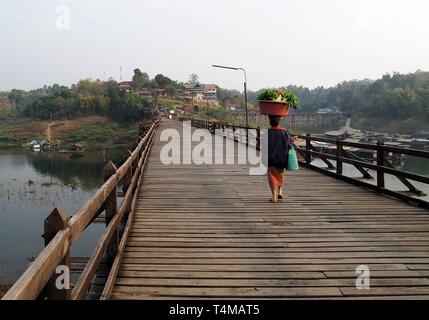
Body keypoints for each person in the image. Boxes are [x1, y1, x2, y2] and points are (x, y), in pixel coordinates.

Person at [267, 115, 293, 203]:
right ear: (278, 122)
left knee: (272, 176)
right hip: (282, 159)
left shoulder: (268, 132)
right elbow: (289, 144)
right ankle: (280, 191)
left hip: (271, 159)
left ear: (270, 123)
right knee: (280, 174)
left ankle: (274, 197)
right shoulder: (284, 132)